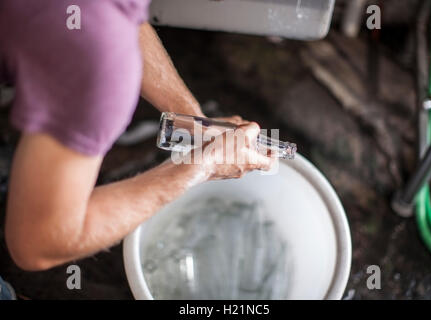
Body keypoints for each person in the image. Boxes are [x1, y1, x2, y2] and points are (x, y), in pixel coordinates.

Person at [0, 0, 273, 278]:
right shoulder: (99, 60)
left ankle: (31, 175)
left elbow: (116, 19)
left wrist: (194, 122)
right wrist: (198, 169)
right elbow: (39, 244)